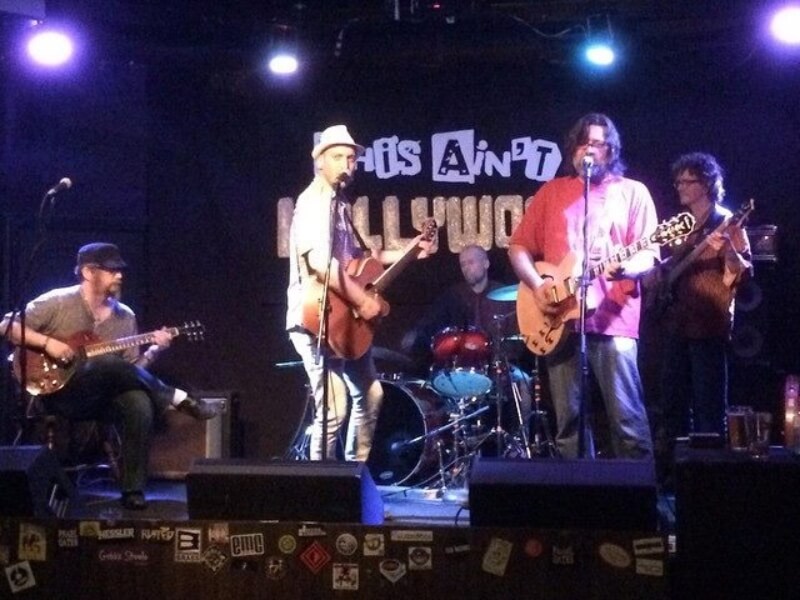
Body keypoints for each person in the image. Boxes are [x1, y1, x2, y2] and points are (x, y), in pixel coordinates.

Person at [1, 242, 219, 510]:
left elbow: (132, 371)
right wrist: (48, 344)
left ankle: (132, 490)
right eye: (111, 270)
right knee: (106, 362)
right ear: (88, 272)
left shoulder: (125, 317)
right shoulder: (57, 301)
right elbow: (6, 326)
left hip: (100, 399)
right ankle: (173, 396)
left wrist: (154, 351)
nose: (120, 275)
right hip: (58, 392)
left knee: (138, 400)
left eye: (120, 270)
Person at [508, 112, 658, 459]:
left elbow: (650, 254)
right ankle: (576, 493)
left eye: (598, 144)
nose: (589, 150)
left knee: (627, 422)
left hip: (614, 320)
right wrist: (538, 285)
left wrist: (626, 268)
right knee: (569, 428)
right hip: (559, 322)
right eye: (582, 143)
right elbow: (518, 247)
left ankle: (637, 492)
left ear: (611, 150)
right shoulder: (552, 192)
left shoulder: (633, 192)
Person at [286, 124, 432, 462]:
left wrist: (409, 252)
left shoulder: (339, 205)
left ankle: (354, 473)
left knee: (370, 395)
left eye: (351, 159)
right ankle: (321, 484)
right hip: (314, 318)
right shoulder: (313, 202)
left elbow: (358, 260)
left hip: (343, 320)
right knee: (334, 406)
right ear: (320, 161)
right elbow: (321, 263)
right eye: (338, 157)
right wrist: (363, 299)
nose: (346, 165)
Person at [652, 152, 752, 481]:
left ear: (707, 184)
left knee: (709, 408)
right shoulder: (683, 225)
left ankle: (709, 480)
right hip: (676, 324)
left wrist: (727, 248)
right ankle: (674, 477)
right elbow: (668, 268)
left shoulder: (728, 222)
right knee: (672, 405)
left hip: (708, 326)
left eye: (688, 181)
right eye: (678, 181)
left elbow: (742, 273)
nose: (680, 186)